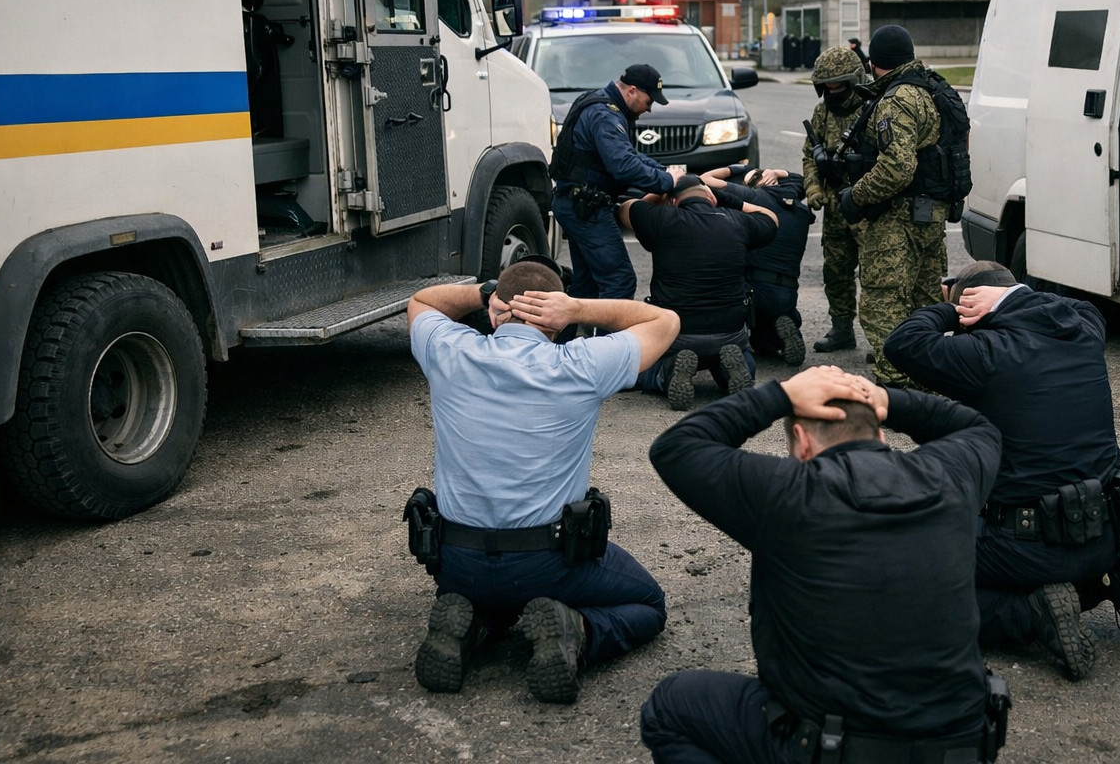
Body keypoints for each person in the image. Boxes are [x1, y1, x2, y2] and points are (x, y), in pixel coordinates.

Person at [640, 366, 1008, 763]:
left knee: (669, 707)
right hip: (961, 747)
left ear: (801, 442)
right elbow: (978, 427)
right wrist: (887, 399)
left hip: (839, 749)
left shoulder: (789, 494)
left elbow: (676, 447)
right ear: (881, 435)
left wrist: (780, 395)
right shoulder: (950, 476)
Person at [883, 260, 1120, 681]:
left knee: (905, 582)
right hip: (1106, 535)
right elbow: (1084, 306)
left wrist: (952, 308)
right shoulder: (1083, 333)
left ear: (973, 312)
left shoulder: (983, 354)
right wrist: (1012, 295)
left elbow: (902, 342)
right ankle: (1112, 581)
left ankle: (1031, 613)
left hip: (1027, 548)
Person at [406, 256, 681, 702]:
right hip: (546, 564)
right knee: (648, 604)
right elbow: (665, 321)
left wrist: (484, 294)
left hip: (457, 561)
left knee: (489, 593)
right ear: (555, 320)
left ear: (497, 313)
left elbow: (421, 301)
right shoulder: (581, 364)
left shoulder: (448, 350)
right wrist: (577, 308)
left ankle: (474, 622)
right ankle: (579, 631)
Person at [835, 25, 948, 386]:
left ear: (873, 63)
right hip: (932, 212)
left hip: (898, 216)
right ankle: (929, 380)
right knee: (925, 301)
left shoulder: (896, 100)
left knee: (883, 302)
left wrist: (856, 196)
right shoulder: (934, 88)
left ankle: (897, 383)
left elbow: (898, 167)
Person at [618, 173, 778, 411]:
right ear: (711, 198)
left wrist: (661, 190)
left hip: (676, 333)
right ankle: (732, 370)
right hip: (729, 331)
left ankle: (669, 371)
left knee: (646, 369)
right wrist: (729, 199)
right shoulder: (737, 221)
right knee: (738, 356)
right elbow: (771, 219)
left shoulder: (661, 219)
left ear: (673, 202)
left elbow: (625, 209)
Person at [550, 63, 684, 300]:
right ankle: (609, 328)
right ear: (632, 90)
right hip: (587, 208)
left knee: (587, 285)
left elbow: (628, 154)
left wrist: (663, 171)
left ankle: (574, 325)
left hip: (576, 203)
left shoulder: (598, 101)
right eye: (649, 101)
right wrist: (666, 181)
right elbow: (624, 166)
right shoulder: (606, 115)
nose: (649, 109)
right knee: (619, 281)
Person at [703, 166, 813, 367]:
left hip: (754, 291)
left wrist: (737, 168)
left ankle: (734, 341)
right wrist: (779, 173)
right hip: (787, 293)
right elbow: (803, 181)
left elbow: (705, 179)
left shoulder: (755, 197)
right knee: (768, 332)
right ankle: (786, 330)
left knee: (751, 331)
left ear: (758, 184)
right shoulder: (798, 206)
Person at [801, 46, 870, 355]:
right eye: (826, 86)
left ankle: (882, 336)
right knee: (836, 272)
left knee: (875, 275)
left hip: (866, 206)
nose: (831, 92)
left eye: (837, 86)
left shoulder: (872, 108)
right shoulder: (823, 112)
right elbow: (809, 155)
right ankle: (842, 329)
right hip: (834, 206)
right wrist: (813, 188)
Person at [241, 0, 294, 138]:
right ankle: (259, 127)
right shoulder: (261, 21)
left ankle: (250, 127)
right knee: (261, 99)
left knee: (248, 97)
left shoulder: (234, 19)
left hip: (244, 66)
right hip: (263, 67)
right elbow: (285, 39)